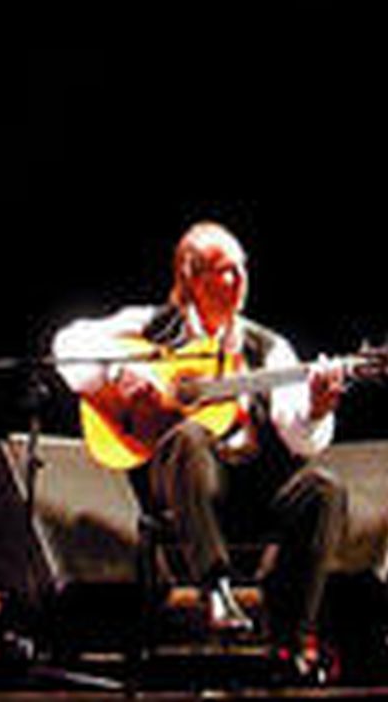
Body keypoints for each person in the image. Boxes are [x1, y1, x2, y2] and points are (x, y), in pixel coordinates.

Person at [51, 220, 349, 682]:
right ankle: (216, 589)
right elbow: (66, 344)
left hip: (247, 486)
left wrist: (316, 406)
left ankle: (292, 641)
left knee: (325, 489)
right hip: (178, 486)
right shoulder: (152, 328)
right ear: (191, 276)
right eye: (223, 271)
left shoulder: (266, 348)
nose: (238, 281)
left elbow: (298, 439)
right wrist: (120, 378)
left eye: (242, 270)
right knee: (189, 436)